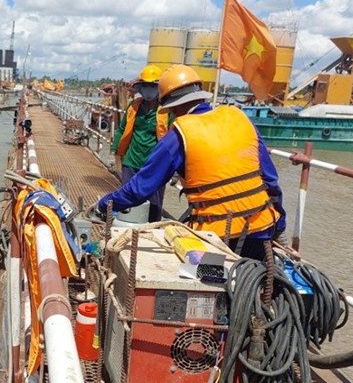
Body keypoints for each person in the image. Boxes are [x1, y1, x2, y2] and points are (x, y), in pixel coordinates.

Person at [98, 64, 286, 261]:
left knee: (202, 282)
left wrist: (104, 204)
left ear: (173, 106)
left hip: (215, 240)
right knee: (257, 281)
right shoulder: (239, 117)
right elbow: (270, 179)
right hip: (263, 229)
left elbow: (139, 189)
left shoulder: (179, 134)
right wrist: (279, 224)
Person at [111, 64, 170, 221]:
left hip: (155, 164)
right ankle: (126, 232)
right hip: (132, 160)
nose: (148, 89)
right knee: (127, 201)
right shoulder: (134, 107)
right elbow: (122, 128)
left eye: (152, 86)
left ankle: (150, 233)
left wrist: (175, 169)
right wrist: (115, 148)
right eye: (145, 85)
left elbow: (174, 138)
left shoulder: (166, 111)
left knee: (154, 205)